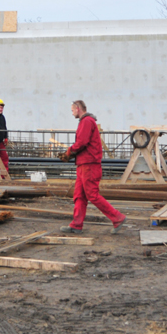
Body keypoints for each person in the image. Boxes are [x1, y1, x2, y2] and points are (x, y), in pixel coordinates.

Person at [59, 100, 126, 234]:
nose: (72, 114)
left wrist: (69, 152)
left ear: (78, 109)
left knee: (92, 195)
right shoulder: (87, 122)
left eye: (72, 110)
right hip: (84, 164)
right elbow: (83, 143)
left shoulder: (86, 122)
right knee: (79, 195)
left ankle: (117, 217)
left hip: (89, 165)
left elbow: (81, 142)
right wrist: (72, 153)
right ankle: (76, 225)